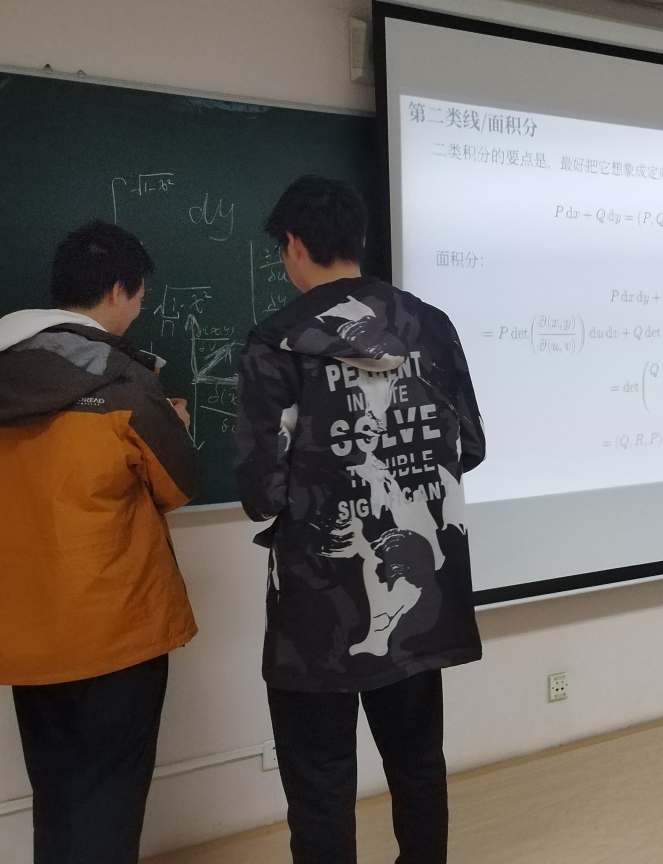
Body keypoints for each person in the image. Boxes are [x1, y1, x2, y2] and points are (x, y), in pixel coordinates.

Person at [234, 176, 486, 864]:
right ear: (359, 239)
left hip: (315, 606)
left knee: (319, 783)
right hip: (420, 593)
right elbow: (468, 446)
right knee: (417, 762)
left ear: (292, 244)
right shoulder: (431, 328)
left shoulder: (278, 342)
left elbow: (261, 490)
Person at [0, 220, 199, 864]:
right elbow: (178, 485)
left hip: (22, 632)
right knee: (111, 800)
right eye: (139, 295)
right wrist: (176, 425)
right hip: (115, 630)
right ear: (117, 291)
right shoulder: (126, 385)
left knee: (55, 793)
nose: (139, 309)